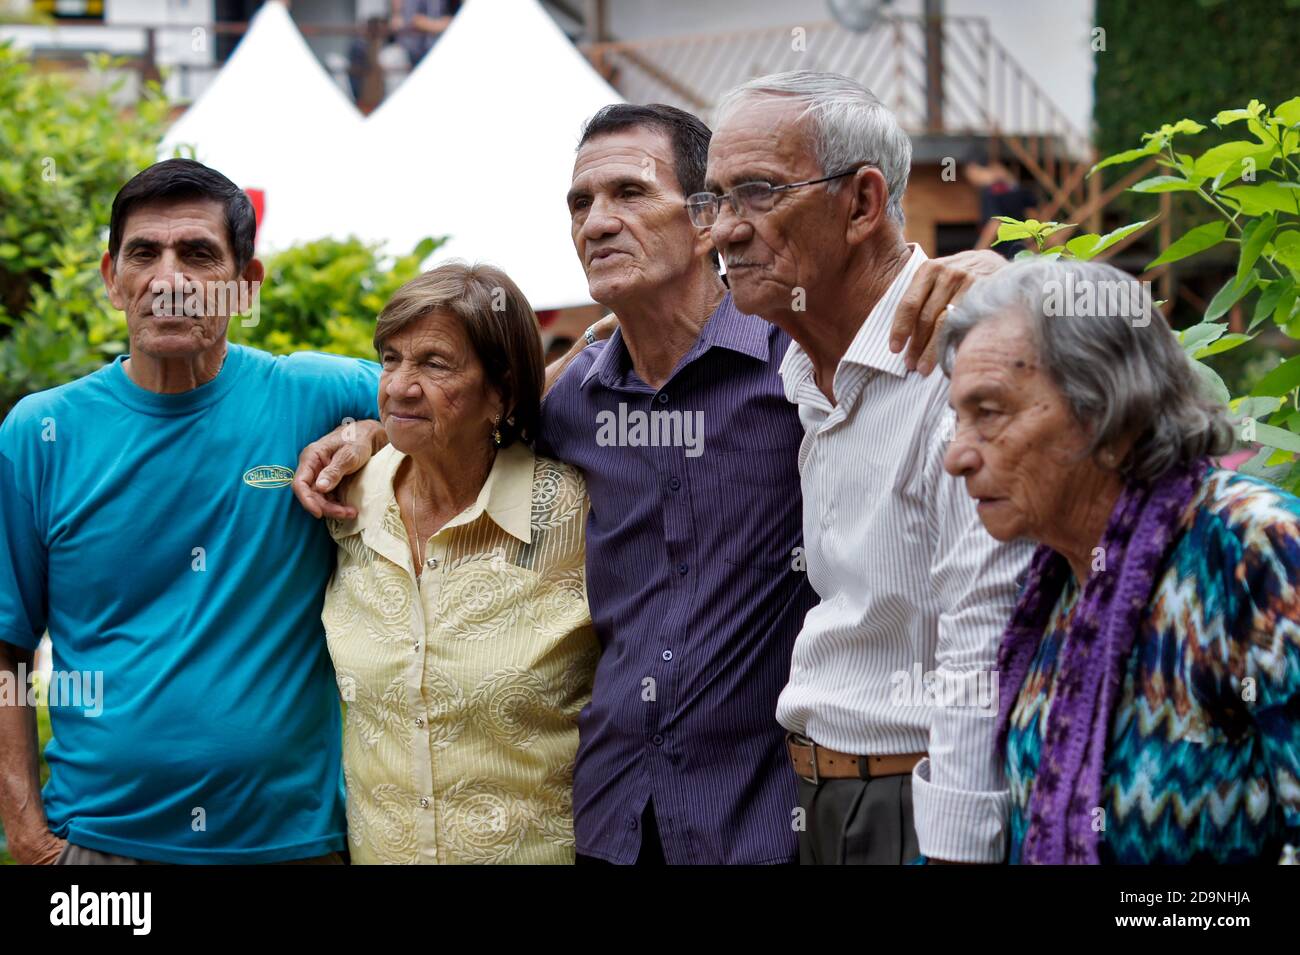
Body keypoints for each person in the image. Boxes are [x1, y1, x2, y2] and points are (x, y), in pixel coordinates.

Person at [296, 102, 1004, 865]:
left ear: (709, 220)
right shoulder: (571, 406)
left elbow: (885, 320)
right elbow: (461, 409)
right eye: (580, 203)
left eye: (630, 194)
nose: (597, 221)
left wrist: (995, 274)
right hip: (613, 824)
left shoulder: (796, 370)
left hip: (763, 822)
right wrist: (367, 432)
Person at [0, 159, 384, 864]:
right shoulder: (40, 434)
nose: (169, 279)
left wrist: (371, 432)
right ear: (112, 278)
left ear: (247, 285)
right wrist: (29, 839)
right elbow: (5, 649)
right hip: (95, 853)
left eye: (199, 255)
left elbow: (485, 397)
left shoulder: (313, 394)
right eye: (145, 253)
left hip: (291, 846)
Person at [703, 70, 1031, 864]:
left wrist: (957, 848)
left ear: (861, 202)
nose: (723, 230)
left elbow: (981, 644)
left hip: (918, 810)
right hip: (824, 801)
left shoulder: (956, 361)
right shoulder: (804, 365)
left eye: (756, 193)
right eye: (712, 200)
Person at [939, 259, 1300, 864]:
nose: (956, 457)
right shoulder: (1059, 581)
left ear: (1107, 416)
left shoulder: (1254, 550)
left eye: (990, 413)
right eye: (958, 417)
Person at [321, 262, 596, 864]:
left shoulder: (576, 512)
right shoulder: (344, 504)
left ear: (500, 389)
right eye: (390, 358)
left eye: (435, 363)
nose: (398, 386)